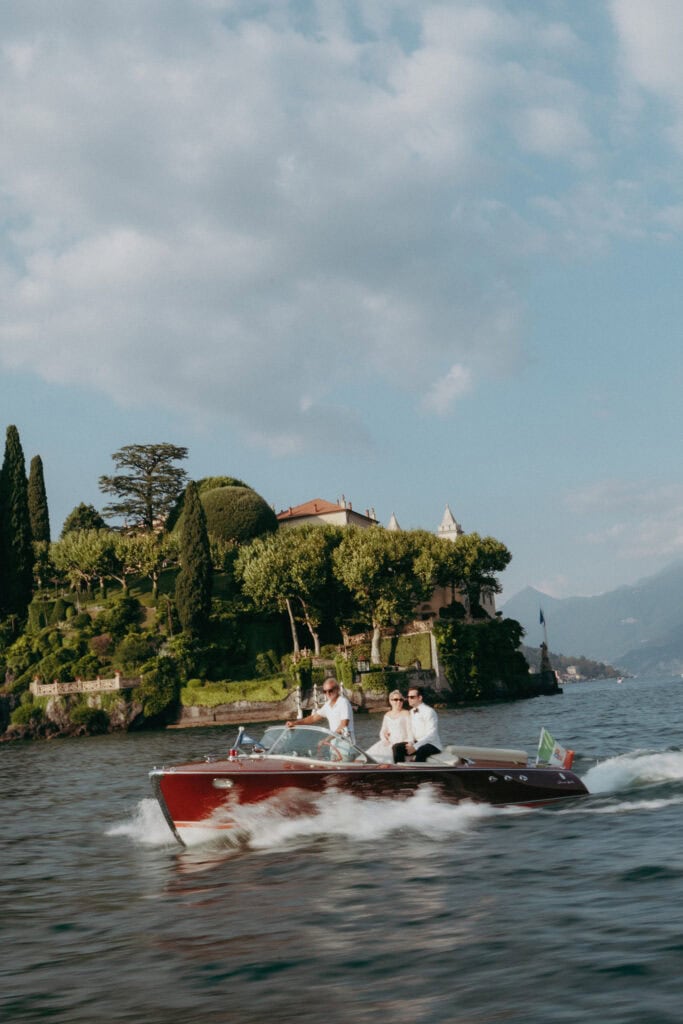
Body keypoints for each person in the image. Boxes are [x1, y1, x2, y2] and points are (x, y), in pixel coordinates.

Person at [286, 677, 355, 741]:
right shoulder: (327, 705)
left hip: (346, 741)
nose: (327, 694)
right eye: (325, 691)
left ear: (337, 689)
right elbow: (312, 718)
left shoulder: (343, 702)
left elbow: (343, 725)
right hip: (335, 740)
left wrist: (327, 739)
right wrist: (294, 723)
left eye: (330, 690)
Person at [392, 686, 442, 762]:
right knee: (397, 747)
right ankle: (401, 771)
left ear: (420, 698)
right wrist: (411, 743)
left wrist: (415, 747)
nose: (409, 699)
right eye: (408, 697)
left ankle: (417, 773)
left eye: (412, 697)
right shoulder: (411, 712)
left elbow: (432, 735)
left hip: (432, 744)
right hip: (417, 742)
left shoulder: (429, 712)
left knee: (422, 750)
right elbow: (411, 730)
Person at [366, 690, 413, 762]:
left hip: (402, 742)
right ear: (390, 701)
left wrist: (410, 743)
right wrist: (384, 740)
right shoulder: (387, 715)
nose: (399, 702)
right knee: (371, 756)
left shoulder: (406, 713)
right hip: (389, 742)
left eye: (401, 700)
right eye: (396, 700)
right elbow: (382, 731)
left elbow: (410, 730)